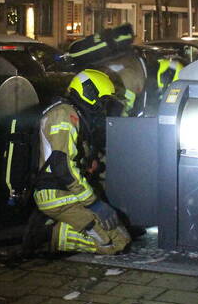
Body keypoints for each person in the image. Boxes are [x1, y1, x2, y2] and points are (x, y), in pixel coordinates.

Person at [24, 69, 132, 255]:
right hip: (57, 196)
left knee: (122, 235)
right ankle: (49, 234)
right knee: (116, 244)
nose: (102, 107)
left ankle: (60, 224)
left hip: (66, 192)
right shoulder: (64, 116)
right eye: (102, 101)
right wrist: (94, 204)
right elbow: (62, 168)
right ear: (90, 93)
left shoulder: (72, 113)